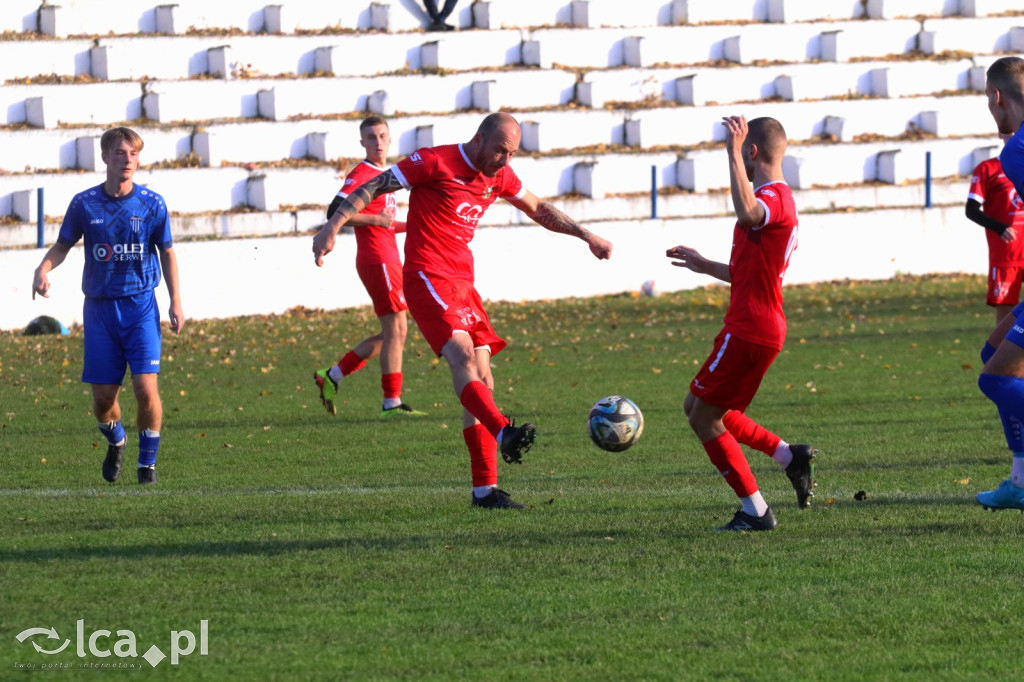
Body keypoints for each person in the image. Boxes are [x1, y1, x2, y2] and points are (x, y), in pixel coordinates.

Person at [312, 112, 613, 509]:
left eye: (511, 154)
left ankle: (484, 491)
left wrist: (585, 234)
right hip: (426, 278)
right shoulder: (435, 161)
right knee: (463, 357)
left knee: (484, 379)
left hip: (463, 284)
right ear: (479, 138)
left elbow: (538, 208)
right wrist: (332, 226)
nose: (504, 161)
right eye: (500, 151)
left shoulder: (500, 175)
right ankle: (503, 431)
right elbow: (373, 185)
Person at [666, 115, 816, 532]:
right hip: (750, 325)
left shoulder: (775, 198)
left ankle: (756, 511)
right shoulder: (775, 199)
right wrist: (704, 264)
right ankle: (789, 456)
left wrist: (730, 151)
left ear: (751, 152)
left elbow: (749, 213)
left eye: (742, 152)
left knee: (704, 418)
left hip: (752, 328)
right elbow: (746, 270)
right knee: (700, 407)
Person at [31, 126, 184, 485]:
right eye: (119, 153)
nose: (127, 160)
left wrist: (175, 300)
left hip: (141, 307)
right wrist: (43, 267)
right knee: (102, 401)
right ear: (104, 158)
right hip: (100, 312)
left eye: (133, 154)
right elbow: (63, 245)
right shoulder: (85, 204)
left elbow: (167, 251)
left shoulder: (152, 204)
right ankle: (116, 441)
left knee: (146, 390)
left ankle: (147, 466)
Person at [313, 116, 426, 419]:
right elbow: (335, 211)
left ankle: (333, 375)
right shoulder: (363, 173)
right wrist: (375, 220)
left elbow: (387, 223)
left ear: (390, 139)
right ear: (362, 143)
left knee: (395, 333)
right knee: (396, 330)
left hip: (388, 257)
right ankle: (391, 403)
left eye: (382, 136)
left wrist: (417, 226)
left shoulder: (386, 175)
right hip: (377, 259)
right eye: (371, 137)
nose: (378, 142)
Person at [975, 55, 1024, 511]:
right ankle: (1020, 480)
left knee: (994, 380)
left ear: (997, 97)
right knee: (994, 352)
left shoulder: (1016, 152)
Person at [965, 134, 1024, 324]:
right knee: (1006, 316)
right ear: (1001, 133)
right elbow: (971, 210)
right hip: (1006, 255)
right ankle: (1000, 354)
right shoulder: (988, 169)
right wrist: (1000, 228)